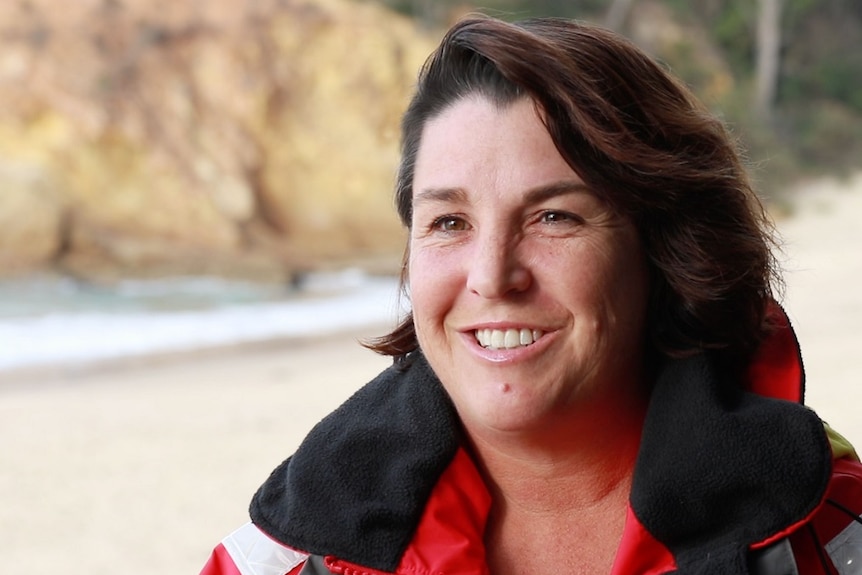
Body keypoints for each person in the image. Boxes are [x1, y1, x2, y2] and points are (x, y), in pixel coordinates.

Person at [200, 15, 862, 575]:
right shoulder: (282, 558)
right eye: (449, 222)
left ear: (665, 251)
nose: (492, 276)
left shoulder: (832, 537)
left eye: (555, 216)